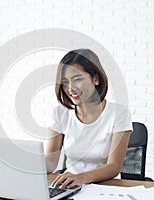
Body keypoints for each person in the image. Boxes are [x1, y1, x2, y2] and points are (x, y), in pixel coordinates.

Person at [45, 48, 132, 189]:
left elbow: (114, 166)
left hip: (106, 187)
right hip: (69, 186)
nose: (70, 88)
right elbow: (51, 161)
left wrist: (81, 178)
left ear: (96, 79)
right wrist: (23, 166)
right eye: (65, 82)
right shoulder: (60, 113)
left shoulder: (119, 113)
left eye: (77, 79)